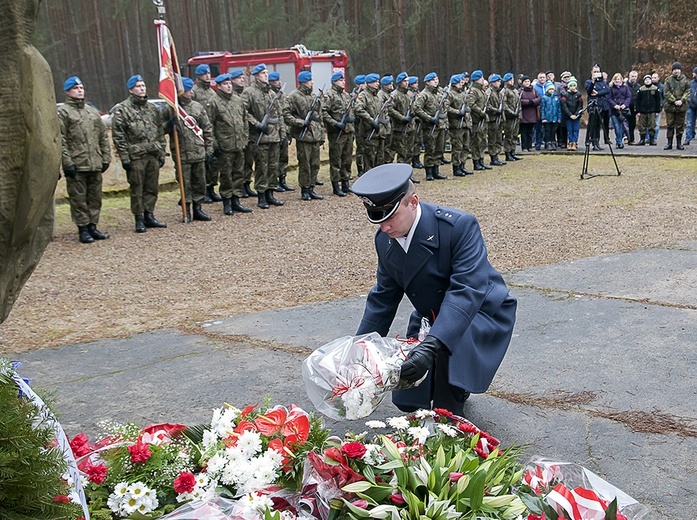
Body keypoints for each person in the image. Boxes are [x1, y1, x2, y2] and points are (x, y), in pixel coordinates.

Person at [351, 163, 517, 415]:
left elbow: (466, 291)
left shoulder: (458, 227)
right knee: (408, 398)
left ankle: (455, 389)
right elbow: (383, 299)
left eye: (391, 216)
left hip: (478, 310)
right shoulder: (385, 239)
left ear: (413, 201)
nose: (384, 227)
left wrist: (431, 345)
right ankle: (439, 378)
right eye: (378, 219)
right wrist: (358, 351)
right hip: (432, 312)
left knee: (446, 406)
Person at [58, 76, 111, 243]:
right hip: (77, 163)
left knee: (95, 197)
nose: (80, 90)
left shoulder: (92, 112)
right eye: (75, 88)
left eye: (81, 87)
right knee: (78, 198)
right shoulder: (64, 112)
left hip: (94, 161)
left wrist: (105, 157)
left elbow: (103, 135)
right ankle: (83, 228)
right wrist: (67, 162)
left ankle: (93, 226)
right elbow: (60, 139)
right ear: (68, 92)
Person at [112, 74, 167, 233]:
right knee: (137, 188)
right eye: (138, 86)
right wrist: (124, 157)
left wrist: (161, 151)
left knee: (152, 186)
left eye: (143, 86)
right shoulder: (123, 110)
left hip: (152, 154)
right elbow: (118, 135)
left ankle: (149, 214)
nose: (142, 89)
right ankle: (139, 218)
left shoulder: (152, 108)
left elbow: (160, 131)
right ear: (131, 90)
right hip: (136, 155)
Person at [167, 77, 213, 222]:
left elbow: (207, 129)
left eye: (190, 89)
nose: (190, 92)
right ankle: (186, 209)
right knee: (184, 183)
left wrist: (209, 149)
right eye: (187, 90)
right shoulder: (172, 109)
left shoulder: (197, 107)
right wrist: (169, 124)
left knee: (199, 182)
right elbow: (161, 130)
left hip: (199, 151)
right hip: (182, 153)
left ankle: (198, 208)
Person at [207, 73, 252, 216]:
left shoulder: (237, 100)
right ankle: (227, 201)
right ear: (219, 86)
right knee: (226, 174)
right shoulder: (213, 102)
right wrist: (214, 144)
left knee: (238, 172)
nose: (228, 86)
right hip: (224, 145)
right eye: (225, 84)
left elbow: (244, 120)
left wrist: (245, 138)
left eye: (229, 84)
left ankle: (236, 200)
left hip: (239, 143)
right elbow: (209, 125)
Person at [242, 63, 284, 209]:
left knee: (273, 167)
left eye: (267, 73)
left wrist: (282, 134)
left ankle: (270, 193)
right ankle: (261, 195)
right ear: (256, 76)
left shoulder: (272, 94)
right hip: (259, 137)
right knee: (262, 167)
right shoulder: (249, 92)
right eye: (263, 73)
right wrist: (257, 124)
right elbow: (244, 112)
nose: (266, 75)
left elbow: (279, 115)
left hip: (273, 136)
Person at [283, 70, 325, 201]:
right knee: (305, 164)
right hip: (303, 135)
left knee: (315, 164)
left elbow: (319, 117)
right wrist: (300, 122)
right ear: (303, 82)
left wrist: (322, 134)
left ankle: (311, 187)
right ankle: (305, 190)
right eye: (310, 80)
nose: (312, 82)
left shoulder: (313, 96)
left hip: (314, 134)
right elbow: (286, 114)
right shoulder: (293, 96)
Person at [191, 63, 221, 202]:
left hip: (212, 131)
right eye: (205, 74)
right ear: (199, 75)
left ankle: (211, 188)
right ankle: (203, 191)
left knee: (214, 163)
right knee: (204, 164)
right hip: (198, 131)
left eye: (209, 73)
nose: (208, 76)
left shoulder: (211, 92)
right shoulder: (194, 91)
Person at [322, 71, 354, 196]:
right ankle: (336, 185)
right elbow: (324, 112)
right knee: (336, 160)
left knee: (347, 159)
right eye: (341, 80)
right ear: (334, 82)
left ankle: (345, 183)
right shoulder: (330, 95)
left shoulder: (346, 95)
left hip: (347, 132)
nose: (343, 82)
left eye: (343, 80)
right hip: (336, 133)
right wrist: (335, 123)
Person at [415, 72, 449, 180]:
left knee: (439, 148)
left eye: (437, 79)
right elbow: (417, 108)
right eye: (433, 80)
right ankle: (429, 172)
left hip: (441, 125)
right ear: (427, 82)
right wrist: (429, 118)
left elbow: (445, 106)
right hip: (429, 127)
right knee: (430, 149)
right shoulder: (423, 94)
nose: (436, 81)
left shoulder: (439, 93)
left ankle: (436, 170)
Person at [354, 73, 389, 174]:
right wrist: (371, 120)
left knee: (380, 159)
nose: (377, 83)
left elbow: (384, 111)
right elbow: (358, 109)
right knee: (369, 159)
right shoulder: (363, 95)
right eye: (375, 82)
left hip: (380, 132)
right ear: (368, 83)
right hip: (369, 132)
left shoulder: (378, 96)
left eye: (378, 81)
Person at [269, 71, 294, 192]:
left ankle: (282, 179)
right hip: (273, 131)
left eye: (279, 80)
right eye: (276, 81)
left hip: (284, 130)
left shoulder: (282, 95)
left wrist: (287, 131)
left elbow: (285, 113)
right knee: (274, 158)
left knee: (284, 157)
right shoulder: (270, 95)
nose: (278, 82)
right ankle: (273, 182)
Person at [445, 73, 473, 175]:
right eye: (459, 82)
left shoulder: (462, 94)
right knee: (457, 147)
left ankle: (462, 165)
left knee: (466, 146)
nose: (461, 84)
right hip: (456, 124)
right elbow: (446, 107)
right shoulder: (450, 94)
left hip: (465, 123)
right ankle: (456, 167)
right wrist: (457, 112)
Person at [467, 70, 492, 170]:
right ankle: (476, 162)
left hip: (482, 120)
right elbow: (471, 104)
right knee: (476, 142)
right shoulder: (473, 91)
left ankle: (481, 160)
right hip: (477, 120)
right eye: (481, 78)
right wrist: (481, 113)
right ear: (477, 79)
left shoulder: (481, 90)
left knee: (482, 141)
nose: (483, 80)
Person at [662, 62, 690, 150]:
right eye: (674, 69)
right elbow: (666, 92)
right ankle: (669, 143)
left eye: (677, 69)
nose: (676, 71)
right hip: (670, 107)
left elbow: (688, 91)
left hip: (682, 107)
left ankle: (679, 143)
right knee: (670, 125)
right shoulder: (668, 80)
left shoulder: (685, 80)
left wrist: (682, 100)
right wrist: (674, 101)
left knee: (680, 126)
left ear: (680, 70)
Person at [584, 65, 610, 151]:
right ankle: (592, 142)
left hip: (602, 106)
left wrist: (598, 93)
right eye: (595, 72)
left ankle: (597, 142)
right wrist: (592, 82)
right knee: (593, 125)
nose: (596, 73)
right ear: (591, 72)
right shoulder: (588, 82)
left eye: (598, 72)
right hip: (593, 106)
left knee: (598, 126)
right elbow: (589, 91)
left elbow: (607, 90)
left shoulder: (602, 82)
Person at [501, 72, 522, 161]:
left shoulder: (515, 91)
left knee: (514, 135)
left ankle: (513, 152)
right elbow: (504, 104)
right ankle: (508, 153)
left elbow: (518, 104)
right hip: (509, 117)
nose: (512, 81)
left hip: (516, 116)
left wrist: (518, 114)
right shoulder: (504, 91)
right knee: (508, 136)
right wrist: (511, 112)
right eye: (510, 80)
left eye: (512, 79)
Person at [485, 74, 506, 165]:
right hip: (492, 119)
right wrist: (496, 110)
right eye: (498, 81)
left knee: (498, 138)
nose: (499, 83)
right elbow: (487, 105)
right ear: (493, 82)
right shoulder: (489, 92)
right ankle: (493, 157)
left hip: (499, 118)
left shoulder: (499, 92)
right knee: (492, 139)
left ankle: (496, 155)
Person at [607, 72, 632, 148]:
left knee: (622, 126)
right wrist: (614, 105)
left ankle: (619, 141)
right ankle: (619, 141)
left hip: (623, 110)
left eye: (619, 79)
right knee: (617, 126)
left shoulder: (625, 87)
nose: (617, 81)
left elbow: (628, 96)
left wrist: (625, 104)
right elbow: (608, 98)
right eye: (616, 79)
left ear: (621, 79)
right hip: (614, 110)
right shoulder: (610, 88)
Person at [635, 74, 661, 146]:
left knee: (652, 125)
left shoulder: (655, 89)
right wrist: (638, 111)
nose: (647, 81)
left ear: (651, 80)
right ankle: (642, 139)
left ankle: (651, 140)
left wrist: (657, 110)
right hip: (642, 111)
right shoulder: (641, 89)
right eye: (646, 80)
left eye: (649, 79)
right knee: (641, 126)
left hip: (652, 111)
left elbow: (658, 100)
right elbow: (637, 101)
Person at [518, 75, 540, 152]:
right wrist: (528, 102)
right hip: (523, 114)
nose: (527, 83)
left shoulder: (534, 90)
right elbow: (519, 101)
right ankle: (524, 147)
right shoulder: (520, 91)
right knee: (523, 132)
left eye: (528, 81)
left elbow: (539, 98)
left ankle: (529, 146)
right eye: (525, 81)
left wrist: (533, 102)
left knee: (530, 132)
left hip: (532, 114)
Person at [560, 77, 583, 150]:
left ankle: (575, 142)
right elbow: (564, 106)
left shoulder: (579, 95)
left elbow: (580, 106)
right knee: (570, 130)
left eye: (574, 85)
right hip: (568, 116)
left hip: (576, 116)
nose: (573, 87)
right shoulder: (565, 95)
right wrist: (570, 115)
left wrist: (576, 114)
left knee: (575, 130)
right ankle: (570, 142)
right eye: (571, 86)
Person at [408, 76, 425, 170]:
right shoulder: (410, 94)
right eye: (415, 83)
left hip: (417, 121)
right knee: (413, 142)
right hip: (412, 121)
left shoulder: (416, 93)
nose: (417, 84)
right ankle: (414, 160)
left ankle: (417, 159)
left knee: (418, 141)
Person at [540, 82, 561, 150]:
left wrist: (559, 117)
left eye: (552, 89)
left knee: (553, 131)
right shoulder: (544, 98)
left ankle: (553, 142)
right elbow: (542, 109)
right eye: (550, 89)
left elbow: (558, 109)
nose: (551, 91)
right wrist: (543, 118)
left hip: (555, 118)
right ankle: (548, 142)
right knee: (547, 131)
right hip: (547, 118)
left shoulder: (556, 98)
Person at [625, 70, 640, 144]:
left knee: (632, 123)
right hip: (625, 107)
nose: (633, 78)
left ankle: (631, 139)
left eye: (635, 76)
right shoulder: (625, 85)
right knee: (624, 123)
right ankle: (625, 138)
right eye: (632, 76)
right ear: (629, 77)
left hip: (634, 108)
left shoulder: (638, 87)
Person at [685, 67, 697, 146]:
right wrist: (689, 101)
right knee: (689, 123)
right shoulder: (690, 83)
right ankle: (687, 138)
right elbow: (688, 93)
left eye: (694, 72)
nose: (692, 74)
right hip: (691, 106)